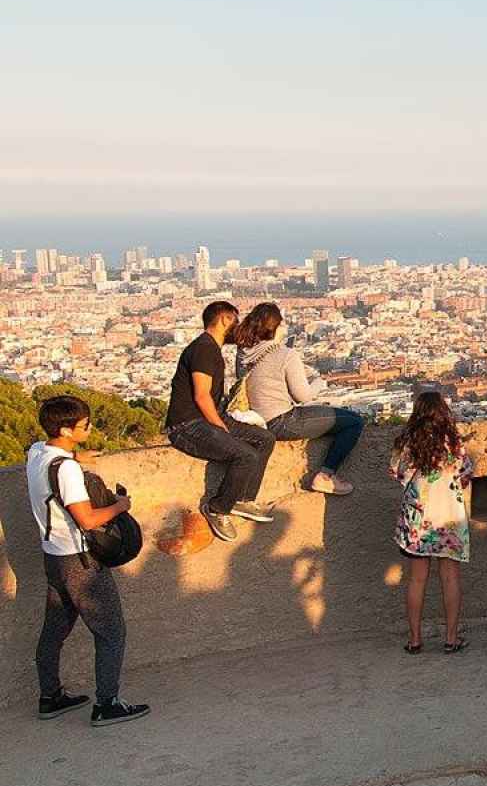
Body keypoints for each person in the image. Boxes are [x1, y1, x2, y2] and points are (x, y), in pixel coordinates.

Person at [28, 395, 150, 726]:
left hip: (53, 557)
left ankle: (50, 696)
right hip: (80, 562)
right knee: (111, 631)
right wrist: (121, 506)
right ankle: (107, 704)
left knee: (55, 628)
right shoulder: (65, 468)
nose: (90, 428)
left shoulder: (37, 453)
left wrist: (76, 457)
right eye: (84, 425)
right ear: (66, 429)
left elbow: (57, 466)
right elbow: (88, 519)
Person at [165, 301, 277, 541]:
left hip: (206, 419)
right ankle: (217, 508)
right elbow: (202, 395)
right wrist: (221, 428)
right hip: (187, 426)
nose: (237, 327)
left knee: (265, 439)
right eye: (235, 320)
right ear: (225, 319)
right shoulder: (204, 349)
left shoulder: (211, 348)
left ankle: (243, 499)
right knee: (245, 454)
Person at [233, 302, 365, 497]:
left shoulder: (243, 353)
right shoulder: (285, 354)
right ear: (275, 327)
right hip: (283, 421)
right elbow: (303, 396)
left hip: (255, 420)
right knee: (354, 422)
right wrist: (321, 382)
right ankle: (326, 476)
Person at [389, 391, 474, 655]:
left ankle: (415, 640)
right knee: (450, 578)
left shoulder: (407, 441)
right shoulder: (454, 442)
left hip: (418, 517)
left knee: (416, 580)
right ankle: (450, 638)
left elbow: (397, 473)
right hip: (448, 516)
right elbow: (465, 474)